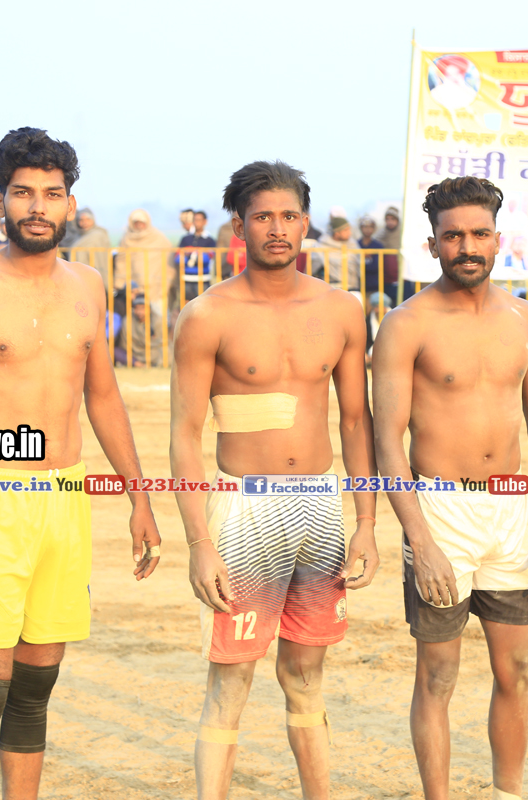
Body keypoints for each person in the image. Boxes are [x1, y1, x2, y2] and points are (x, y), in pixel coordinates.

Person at [0, 126, 160, 798]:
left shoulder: (89, 285)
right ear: (0, 201)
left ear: (70, 202)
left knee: (36, 687)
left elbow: (103, 396)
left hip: (66, 496)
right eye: (23, 193)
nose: (37, 206)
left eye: (51, 193)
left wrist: (140, 498)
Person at [169, 160, 377, 800]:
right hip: (244, 508)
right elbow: (184, 434)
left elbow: (355, 421)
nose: (278, 228)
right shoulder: (208, 315)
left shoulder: (342, 310)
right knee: (230, 680)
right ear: (240, 226)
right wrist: (199, 541)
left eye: (289, 216)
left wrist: (367, 523)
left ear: (306, 222)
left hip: (318, 505)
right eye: (263, 217)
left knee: (306, 676)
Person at [372, 176, 528, 800]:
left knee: (519, 667)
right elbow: (387, 441)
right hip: (439, 511)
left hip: (510, 511)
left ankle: (507, 794)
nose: (467, 246)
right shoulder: (406, 324)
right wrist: (419, 539)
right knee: (438, 675)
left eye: (479, 234)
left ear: (497, 240)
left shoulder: (524, 317)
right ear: (432, 244)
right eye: (454, 235)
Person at [116, 209, 173, 338]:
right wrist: (120, 283)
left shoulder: (158, 238)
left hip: (156, 285)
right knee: (136, 318)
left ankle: (162, 345)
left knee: (159, 316)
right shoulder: (126, 239)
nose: (139, 225)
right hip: (135, 288)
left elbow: (169, 261)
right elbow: (121, 261)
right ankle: (139, 346)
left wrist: (168, 281)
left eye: (142, 223)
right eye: (136, 223)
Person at [311, 216, 362, 294]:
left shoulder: (353, 244)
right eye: (346, 230)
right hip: (330, 288)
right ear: (337, 233)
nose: (350, 233)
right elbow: (312, 268)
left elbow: (360, 265)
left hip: (353, 287)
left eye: (349, 229)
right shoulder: (321, 246)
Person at [177, 210, 217, 303]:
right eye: (195, 220)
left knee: (202, 304)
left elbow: (206, 259)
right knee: (186, 305)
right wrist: (196, 255)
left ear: (205, 222)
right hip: (186, 279)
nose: (196, 222)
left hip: (203, 279)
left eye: (199, 220)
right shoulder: (185, 239)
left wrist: (190, 254)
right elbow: (178, 258)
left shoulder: (210, 240)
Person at [66, 208, 111, 290]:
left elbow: (99, 258)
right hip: (79, 275)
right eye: (81, 220)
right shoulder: (78, 236)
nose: (84, 222)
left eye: (88, 219)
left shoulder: (98, 234)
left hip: (94, 274)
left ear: (93, 220)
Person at [356, 215, 387, 293]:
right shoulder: (355, 245)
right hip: (358, 285)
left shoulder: (378, 246)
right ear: (361, 228)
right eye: (365, 226)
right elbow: (354, 265)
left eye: (371, 227)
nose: (368, 229)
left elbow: (377, 266)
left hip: (375, 286)